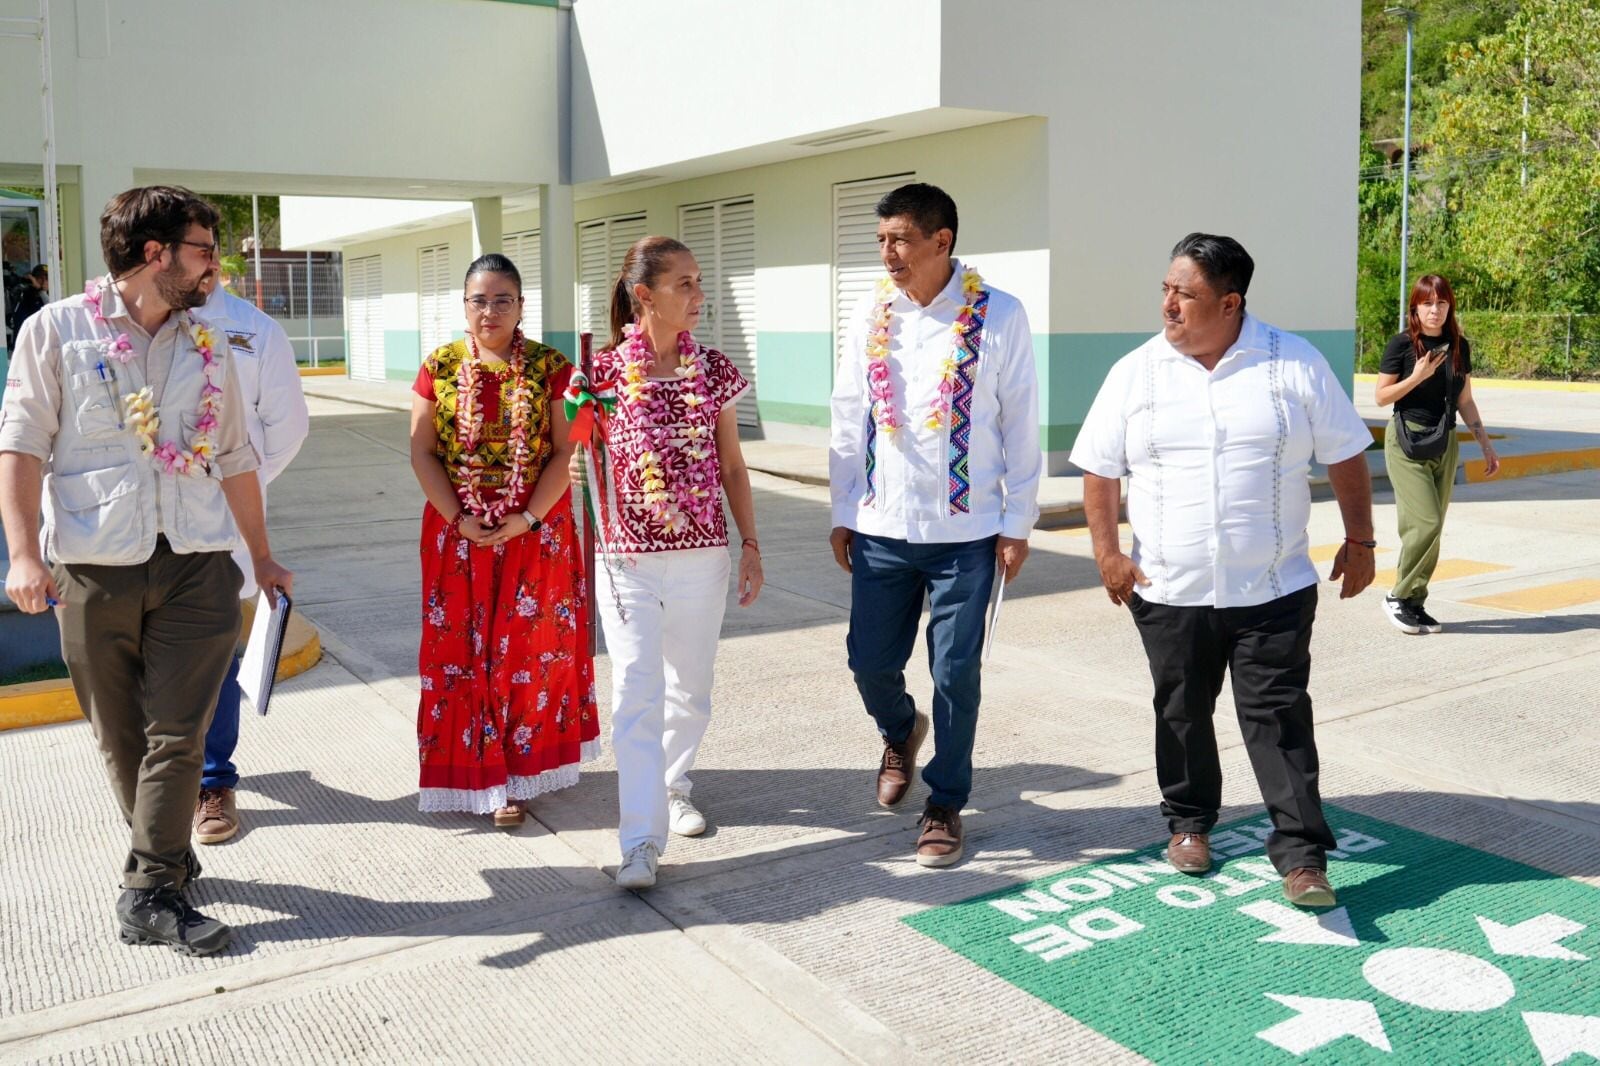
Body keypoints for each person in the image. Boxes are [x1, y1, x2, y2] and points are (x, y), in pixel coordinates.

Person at [0, 185, 293, 955]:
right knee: (121, 736)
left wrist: (260, 555)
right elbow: (22, 445)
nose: (215, 267)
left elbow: (236, 455)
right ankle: (163, 857)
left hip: (198, 561)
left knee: (179, 733)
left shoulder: (211, 342)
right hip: (94, 565)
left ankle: (150, 891)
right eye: (203, 251)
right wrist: (23, 553)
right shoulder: (56, 331)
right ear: (155, 253)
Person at [1072, 233, 1375, 908]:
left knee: (1278, 718)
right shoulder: (1136, 372)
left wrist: (1361, 539)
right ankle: (1189, 824)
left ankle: (1302, 856)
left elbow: (1346, 452)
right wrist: (1108, 553)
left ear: (1230, 303)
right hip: (1168, 587)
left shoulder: (1292, 363)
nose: (1168, 305)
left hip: (1273, 587)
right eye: (1166, 290)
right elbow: (1100, 467)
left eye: (1185, 294)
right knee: (1181, 711)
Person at [828, 182, 1041, 869]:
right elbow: (848, 412)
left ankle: (945, 801)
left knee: (955, 672)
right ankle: (900, 731)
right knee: (869, 662)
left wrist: (1017, 521)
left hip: (967, 533)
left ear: (941, 241)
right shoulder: (871, 312)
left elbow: (1020, 422)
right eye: (881, 240)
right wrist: (842, 510)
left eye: (900, 239)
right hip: (882, 527)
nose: (888, 253)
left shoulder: (999, 314)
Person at [580, 236, 763, 891]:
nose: (698, 295)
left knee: (690, 688)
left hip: (702, 557)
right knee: (635, 691)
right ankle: (639, 841)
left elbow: (733, 466)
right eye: (684, 283)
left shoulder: (713, 370)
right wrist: (574, 440)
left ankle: (672, 785)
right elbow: (574, 456)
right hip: (625, 558)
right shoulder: (599, 374)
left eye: (698, 281)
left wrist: (751, 543)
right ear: (644, 295)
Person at [409, 253, 599, 824]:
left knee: (526, 653)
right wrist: (458, 519)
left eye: (502, 300)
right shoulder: (439, 366)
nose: (489, 311)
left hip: (536, 534)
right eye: (479, 300)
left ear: (521, 306)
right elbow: (421, 451)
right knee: (461, 655)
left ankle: (516, 776)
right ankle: (475, 772)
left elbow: (567, 449)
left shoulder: (552, 368)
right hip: (457, 534)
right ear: (463, 306)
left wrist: (529, 518)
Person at [191, 267, 310, 844]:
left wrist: (245, 484)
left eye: (210, 247)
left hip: (224, 518)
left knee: (216, 649)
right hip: (146, 522)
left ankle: (213, 780)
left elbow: (287, 427)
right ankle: (163, 776)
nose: (204, 261)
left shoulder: (254, 329)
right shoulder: (133, 324)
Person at [1375, 274, 1500, 634]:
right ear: (1415, 307)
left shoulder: (1459, 346)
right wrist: (1417, 376)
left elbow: (1465, 399)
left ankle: (1415, 601)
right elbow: (1381, 397)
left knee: (1434, 527)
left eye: (1441, 303)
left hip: (1444, 441)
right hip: (1407, 441)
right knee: (1424, 522)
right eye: (1427, 303)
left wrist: (1485, 444)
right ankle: (1397, 596)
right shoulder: (1402, 345)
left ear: (1450, 307)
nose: (1435, 310)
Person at [6, 264, 48, 338]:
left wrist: (41, 291)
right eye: (41, 278)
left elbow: (52, 309)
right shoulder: (26, 295)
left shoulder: (45, 295)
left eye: (46, 278)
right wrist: (39, 290)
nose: (44, 281)